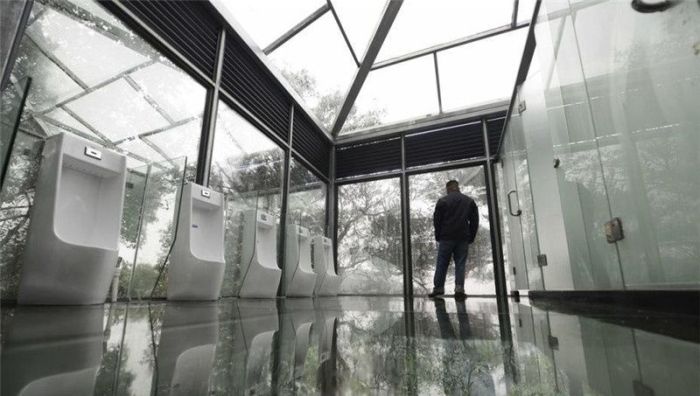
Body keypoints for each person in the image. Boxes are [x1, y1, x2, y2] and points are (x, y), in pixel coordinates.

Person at [429, 180, 479, 299]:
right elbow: (474, 221)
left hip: (446, 237)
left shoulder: (442, 201)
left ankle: (438, 289)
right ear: (458, 187)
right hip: (462, 237)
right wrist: (471, 236)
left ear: (448, 188)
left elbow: (437, 221)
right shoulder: (469, 201)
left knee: (442, 263)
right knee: (460, 264)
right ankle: (459, 289)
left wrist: (438, 235)